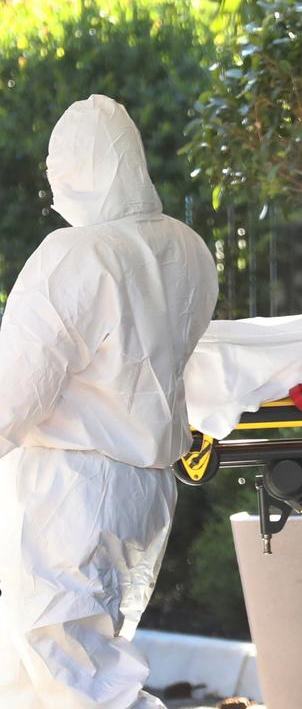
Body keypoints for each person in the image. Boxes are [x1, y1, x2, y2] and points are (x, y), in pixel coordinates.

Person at [0, 95, 219, 708]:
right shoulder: (190, 250)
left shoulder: (74, 256)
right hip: (145, 491)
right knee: (43, 672)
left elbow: (14, 390)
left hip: (69, 488)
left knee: (74, 677)